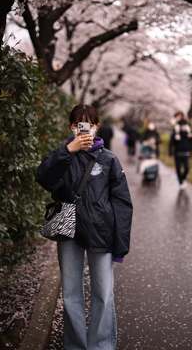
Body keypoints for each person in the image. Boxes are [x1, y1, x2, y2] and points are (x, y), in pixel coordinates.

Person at [35, 104, 133, 350]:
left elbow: (122, 203)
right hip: (69, 232)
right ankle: (76, 346)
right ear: (71, 127)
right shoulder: (62, 156)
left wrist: (120, 245)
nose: (84, 128)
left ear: (97, 127)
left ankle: (101, 346)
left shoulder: (109, 159)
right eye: (78, 124)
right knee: (70, 293)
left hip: (102, 233)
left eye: (88, 124)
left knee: (103, 293)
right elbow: (43, 178)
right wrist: (68, 150)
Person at [169, 118, 192, 189]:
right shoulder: (175, 134)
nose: (183, 126)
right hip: (178, 154)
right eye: (182, 125)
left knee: (186, 168)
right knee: (178, 168)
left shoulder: (189, 134)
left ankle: (183, 178)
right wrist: (170, 154)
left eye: (184, 124)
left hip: (186, 154)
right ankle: (180, 182)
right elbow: (171, 144)